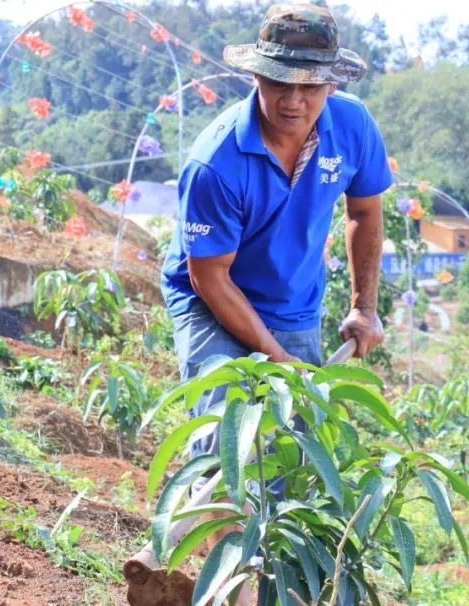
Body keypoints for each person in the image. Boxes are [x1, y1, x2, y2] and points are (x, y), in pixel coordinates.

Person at [158, 5, 391, 602]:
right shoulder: (217, 163)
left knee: (287, 448)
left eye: (311, 85)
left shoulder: (352, 127)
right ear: (255, 78)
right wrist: (272, 356)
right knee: (226, 428)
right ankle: (189, 571)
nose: (295, 100)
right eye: (279, 83)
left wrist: (364, 306)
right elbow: (211, 279)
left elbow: (364, 214)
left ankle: (237, 580)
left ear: (331, 83)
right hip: (211, 297)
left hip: (293, 303)